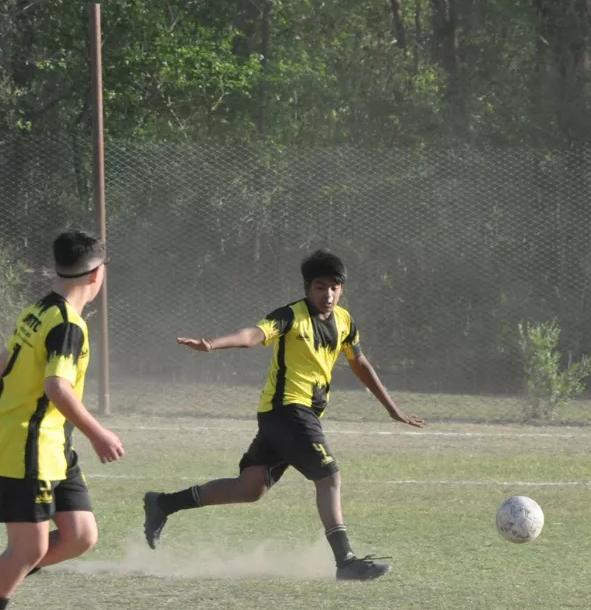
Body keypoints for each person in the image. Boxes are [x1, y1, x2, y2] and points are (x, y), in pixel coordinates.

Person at [141, 249, 424, 581]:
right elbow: (252, 336)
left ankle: (163, 503)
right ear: (307, 287)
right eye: (320, 287)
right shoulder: (291, 316)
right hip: (288, 410)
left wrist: (392, 408)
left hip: (294, 416)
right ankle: (345, 560)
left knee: (250, 488)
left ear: (342, 288)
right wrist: (212, 344)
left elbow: (360, 363)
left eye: (334, 287)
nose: (328, 294)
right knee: (328, 476)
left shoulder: (345, 321)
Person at [0, 230, 125, 610]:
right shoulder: (67, 324)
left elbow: (0, 363)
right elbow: (56, 386)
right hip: (28, 446)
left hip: (50, 444)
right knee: (27, 551)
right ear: (98, 275)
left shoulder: (40, 309)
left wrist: (1, 414)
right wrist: (97, 432)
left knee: (81, 535)